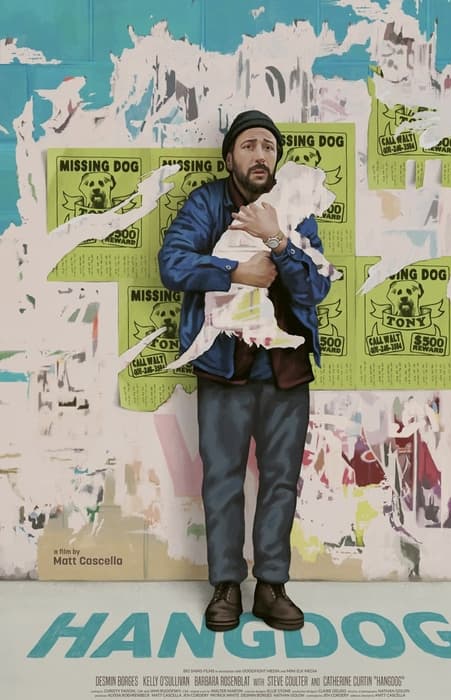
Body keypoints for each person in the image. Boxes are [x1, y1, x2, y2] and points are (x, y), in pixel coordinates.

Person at [158, 110, 331, 632]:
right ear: (230, 156)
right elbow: (172, 263)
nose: (261, 155)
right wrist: (236, 270)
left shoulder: (296, 207)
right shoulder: (206, 203)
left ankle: (272, 586)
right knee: (222, 481)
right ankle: (227, 585)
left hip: (285, 370)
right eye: (249, 145)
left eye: (269, 147)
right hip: (223, 368)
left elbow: (315, 287)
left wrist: (278, 240)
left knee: (281, 482)